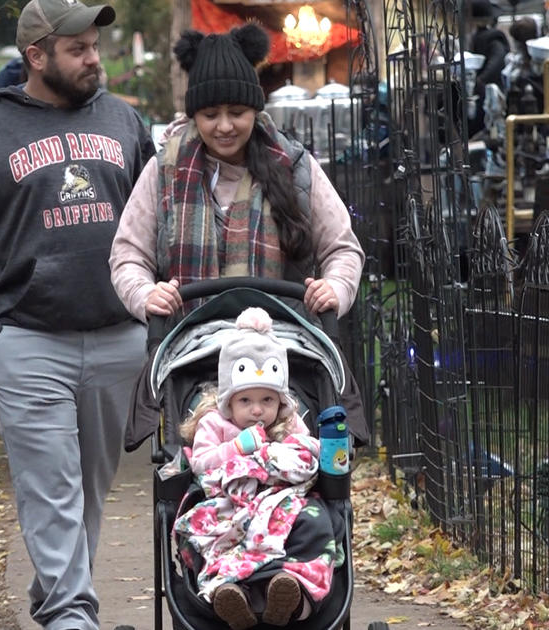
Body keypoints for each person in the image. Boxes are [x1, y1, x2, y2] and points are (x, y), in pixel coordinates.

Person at [0, 0, 156, 628]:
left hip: (120, 335)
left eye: (95, 46)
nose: (94, 59)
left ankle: (59, 597)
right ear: (37, 56)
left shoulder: (123, 120)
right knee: (49, 489)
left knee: (88, 490)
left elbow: (153, 226)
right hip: (28, 340)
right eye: (78, 49)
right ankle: (71, 615)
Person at [108, 23, 366, 441]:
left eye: (237, 113)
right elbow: (128, 254)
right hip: (193, 349)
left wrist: (335, 287)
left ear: (255, 110)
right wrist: (145, 293)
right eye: (210, 115)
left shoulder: (295, 168)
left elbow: (342, 247)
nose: (224, 126)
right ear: (194, 114)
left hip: (278, 349)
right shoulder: (164, 172)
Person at [174, 307, 341, 630]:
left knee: (317, 520)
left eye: (267, 400)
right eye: (245, 401)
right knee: (204, 530)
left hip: (283, 501)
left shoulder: (289, 422)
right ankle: (229, 594)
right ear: (228, 402)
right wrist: (236, 449)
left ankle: (291, 594)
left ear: (280, 401)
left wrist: (280, 454)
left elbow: (307, 454)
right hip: (229, 505)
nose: (257, 410)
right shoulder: (214, 423)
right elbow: (201, 462)